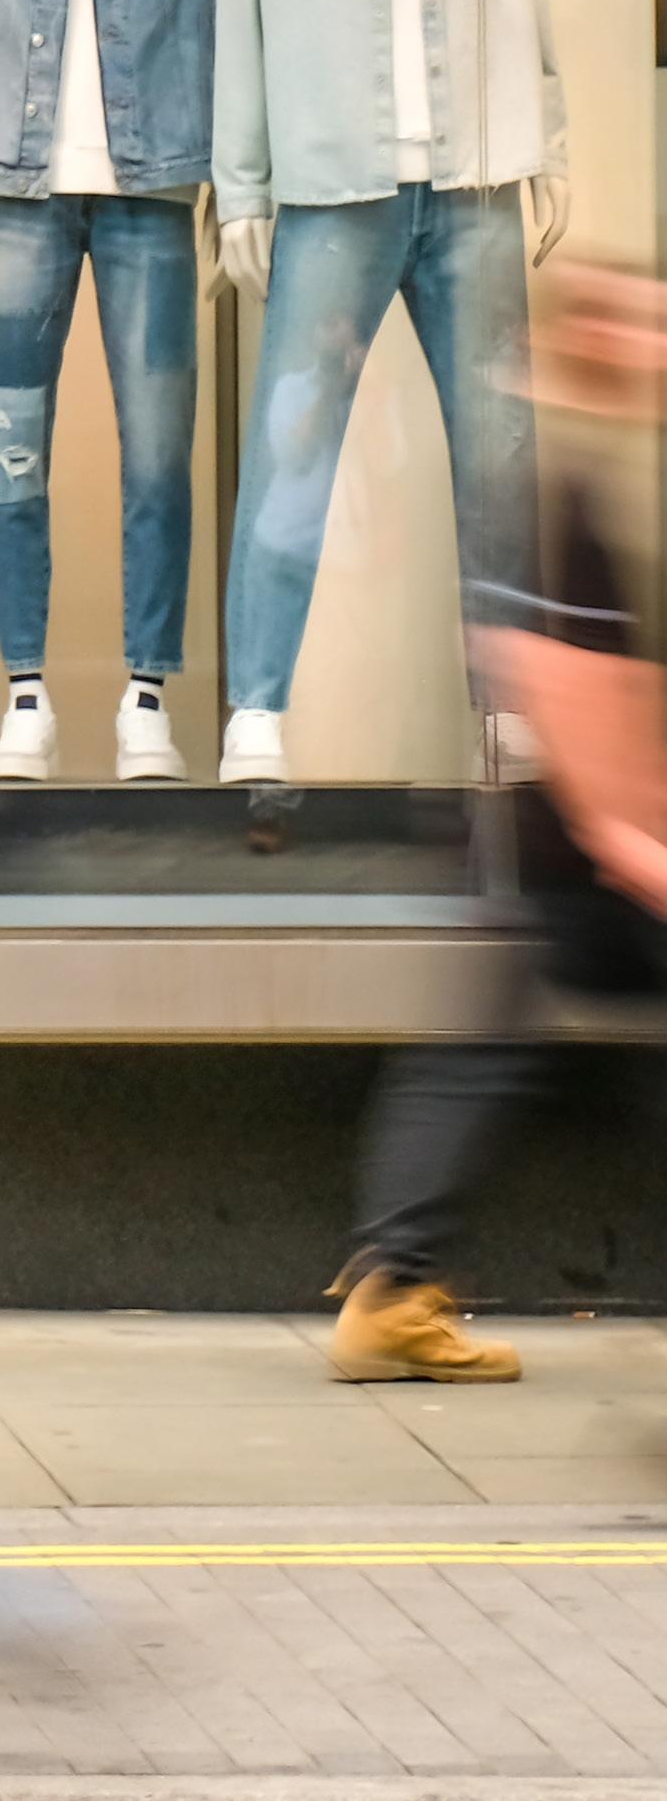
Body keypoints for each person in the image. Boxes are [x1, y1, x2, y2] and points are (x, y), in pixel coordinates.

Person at [329, 258, 667, 1383]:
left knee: (474, 1056)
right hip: (572, 846)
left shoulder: (566, 471)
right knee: (477, 1057)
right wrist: (630, 837)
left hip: (540, 846)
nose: (659, 345)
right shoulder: (555, 483)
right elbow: (551, 674)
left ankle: (390, 1288)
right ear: (597, 338)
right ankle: (389, 1289)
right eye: (644, 324)